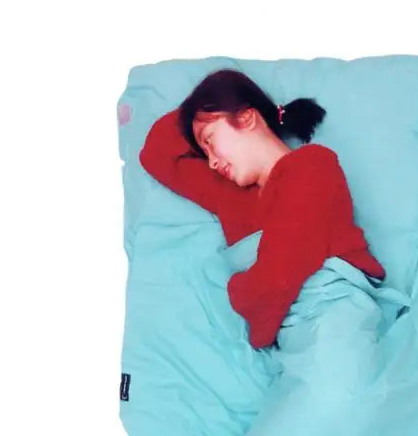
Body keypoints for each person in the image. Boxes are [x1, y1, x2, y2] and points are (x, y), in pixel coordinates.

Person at [139, 68, 387, 351]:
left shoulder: (313, 166)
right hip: (286, 340)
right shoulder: (229, 195)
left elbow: (276, 278)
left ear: (246, 117)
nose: (211, 162)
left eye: (209, 141)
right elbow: (156, 153)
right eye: (203, 152)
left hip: (333, 321)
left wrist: (236, 289)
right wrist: (197, 118)